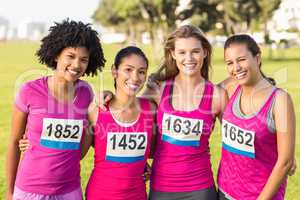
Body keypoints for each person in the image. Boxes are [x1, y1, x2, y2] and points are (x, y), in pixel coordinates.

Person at [98, 25, 227, 200]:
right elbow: (130, 111)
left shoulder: (217, 95)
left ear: (205, 52)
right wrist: (108, 96)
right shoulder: (159, 89)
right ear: (173, 54)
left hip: (201, 187)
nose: (189, 58)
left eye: (195, 51)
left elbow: (233, 145)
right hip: (162, 186)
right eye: (182, 52)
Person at [6, 19, 105, 200]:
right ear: (56, 55)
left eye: (83, 60)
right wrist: (10, 191)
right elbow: (14, 143)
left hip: (70, 191)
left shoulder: (86, 93)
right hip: (30, 190)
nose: (76, 65)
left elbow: (80, 149)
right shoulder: (29, 91)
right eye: (70, 56)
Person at [217, 34, 296, 200]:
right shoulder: (230, 87)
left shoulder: (280, 100)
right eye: (230, 63)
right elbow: (199, 92)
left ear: (258, 58)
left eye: (242, 59)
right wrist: (156, 82)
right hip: (224, 192)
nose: (236, 68)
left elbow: (285, 162)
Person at [84, 46, 156, 200]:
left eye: (141, 72)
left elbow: (153, 151)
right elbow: (77, 153)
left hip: (137, 195)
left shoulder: (150, 109)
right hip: (100, 194)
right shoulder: (97, 110)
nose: (135, 77)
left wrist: (147, 166)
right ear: (114, 71)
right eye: (128, 70)